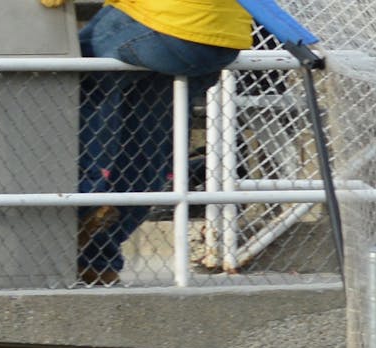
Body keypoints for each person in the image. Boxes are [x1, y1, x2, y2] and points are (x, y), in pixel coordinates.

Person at [69, 0, 254, 285]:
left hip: (168, 23)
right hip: (221, 38)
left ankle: (84, 196)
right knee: (148, 139)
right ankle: (97, 259)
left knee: (75, 71)